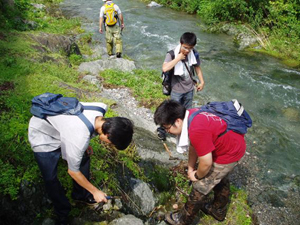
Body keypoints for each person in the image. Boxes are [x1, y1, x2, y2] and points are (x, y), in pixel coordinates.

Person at [28, 101, 133, 225]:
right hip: (42, 134)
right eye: (111, 143)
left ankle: (80, 195)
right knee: (50, 178)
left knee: (84, 155)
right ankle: (62, 213)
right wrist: (95, 191)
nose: (108, 144)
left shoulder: (100, 108)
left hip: (64, 130)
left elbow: (77, 122)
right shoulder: (79, 137)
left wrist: (85, 144)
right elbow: (73, 172)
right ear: (108, 135)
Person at [154, 100, 246, 225]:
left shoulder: (197, 129)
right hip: (232, 144)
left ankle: (182, 220)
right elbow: (194, 146)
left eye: (166, 128)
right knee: (219, 178)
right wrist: (191, 168)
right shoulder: (191, 115)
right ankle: (218, 210)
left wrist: (196, 176)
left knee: (200, 186)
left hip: (228, 153)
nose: (167, 131)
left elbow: (206, 163)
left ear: (177, 121)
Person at [163, 32, 205, 109]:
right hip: (176, 90)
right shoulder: (172, 54)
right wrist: (178, 58)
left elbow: (197, 67)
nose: (187, 51)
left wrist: (202, 82)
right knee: (175, 111)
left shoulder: (194, 53)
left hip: (190, 89)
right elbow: (165, 68)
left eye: (190, 48)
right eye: (185, 47)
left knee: (187, 111)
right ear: (180, 43)